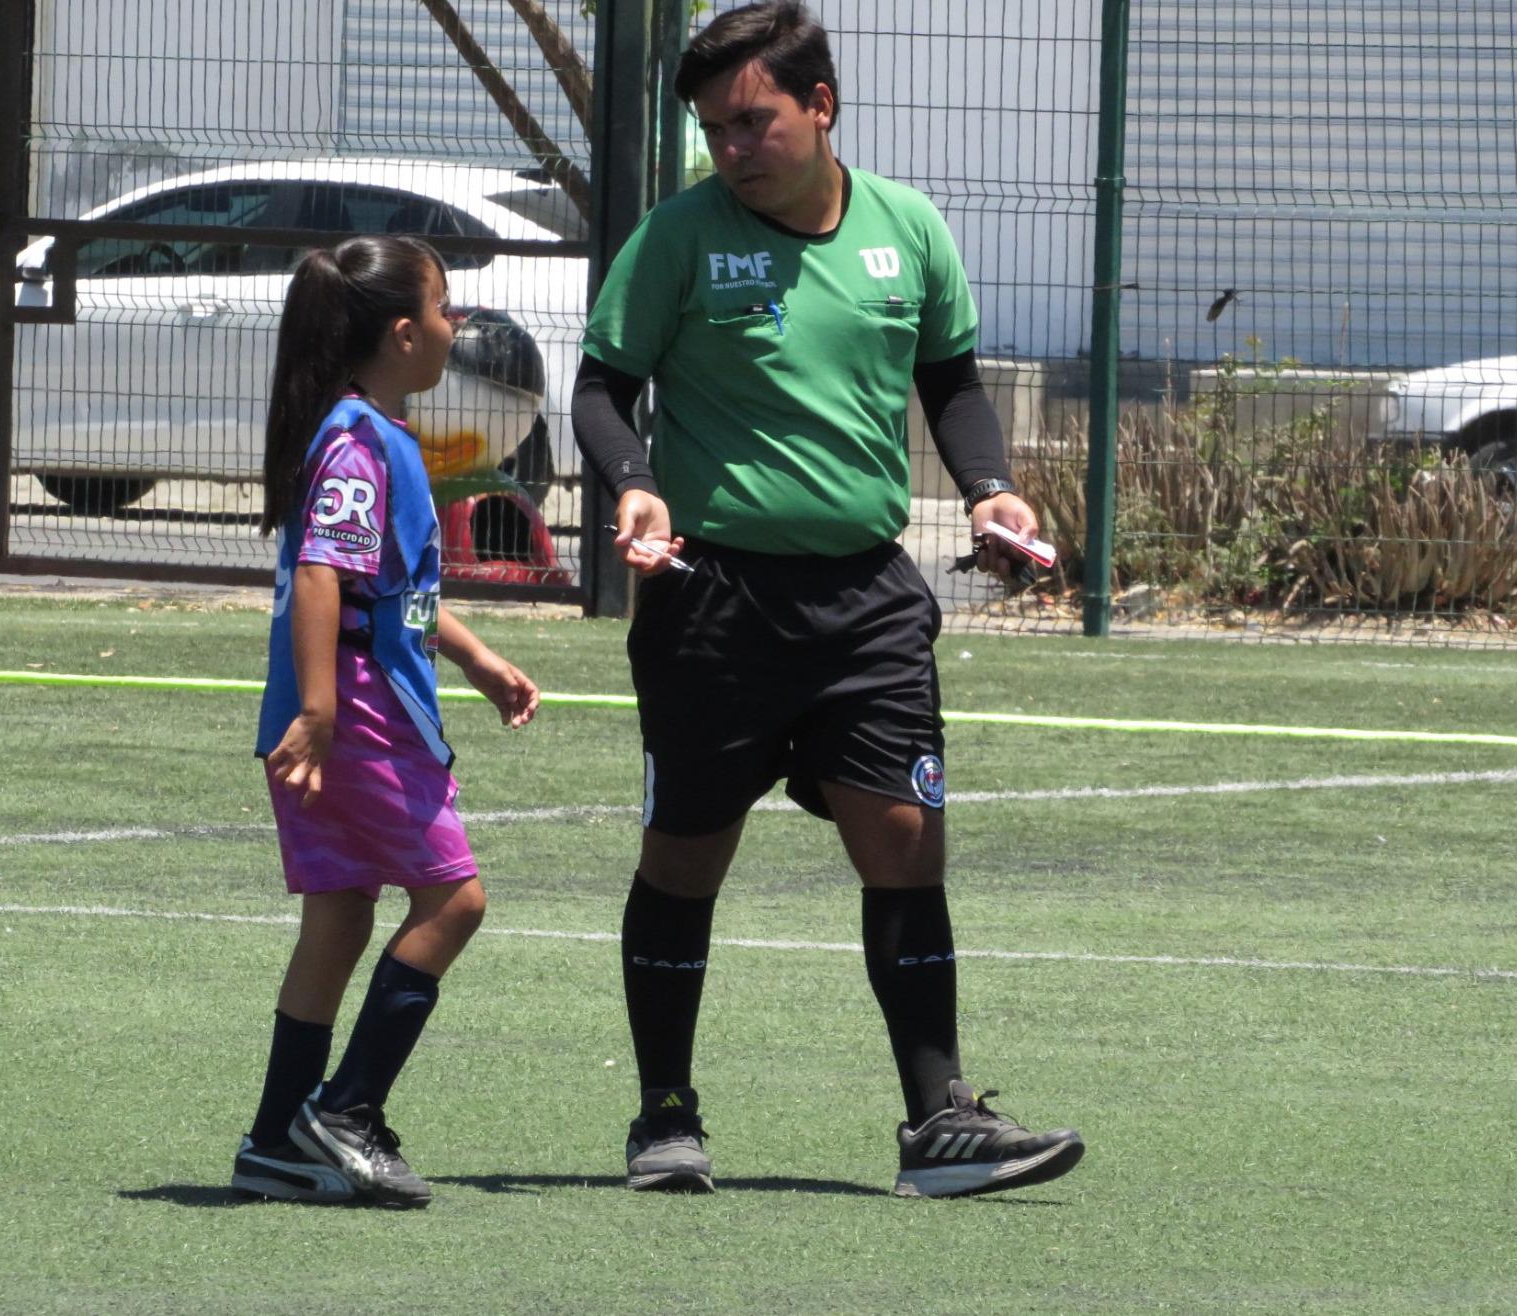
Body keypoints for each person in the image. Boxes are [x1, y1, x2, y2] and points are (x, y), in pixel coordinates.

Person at [572, 0, 1084, 1199]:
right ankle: (664, 1113)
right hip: (712, 598)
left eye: (751, 121)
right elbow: (600, 389)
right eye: (714, 129)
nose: (731, 148)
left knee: (905, 840)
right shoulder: (677, 237)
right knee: (685, 855)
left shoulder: (908, 227)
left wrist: (991, 492)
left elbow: (950, 383)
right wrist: (637, 483)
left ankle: (937, 1120)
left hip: (867, 597)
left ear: (820, 105)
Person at [232, 234, 540, 1208]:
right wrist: (323, 710)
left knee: (341, 914)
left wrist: (474, 655)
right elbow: (323, 573)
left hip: (338, 710)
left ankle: (276, 1139)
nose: (456, 325)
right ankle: (347, 1110)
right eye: (445, 309)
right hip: (358, 717)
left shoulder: (365, 432)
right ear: (405, 333)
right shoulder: (361, 442)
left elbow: (390, 589)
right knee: (454, 902)